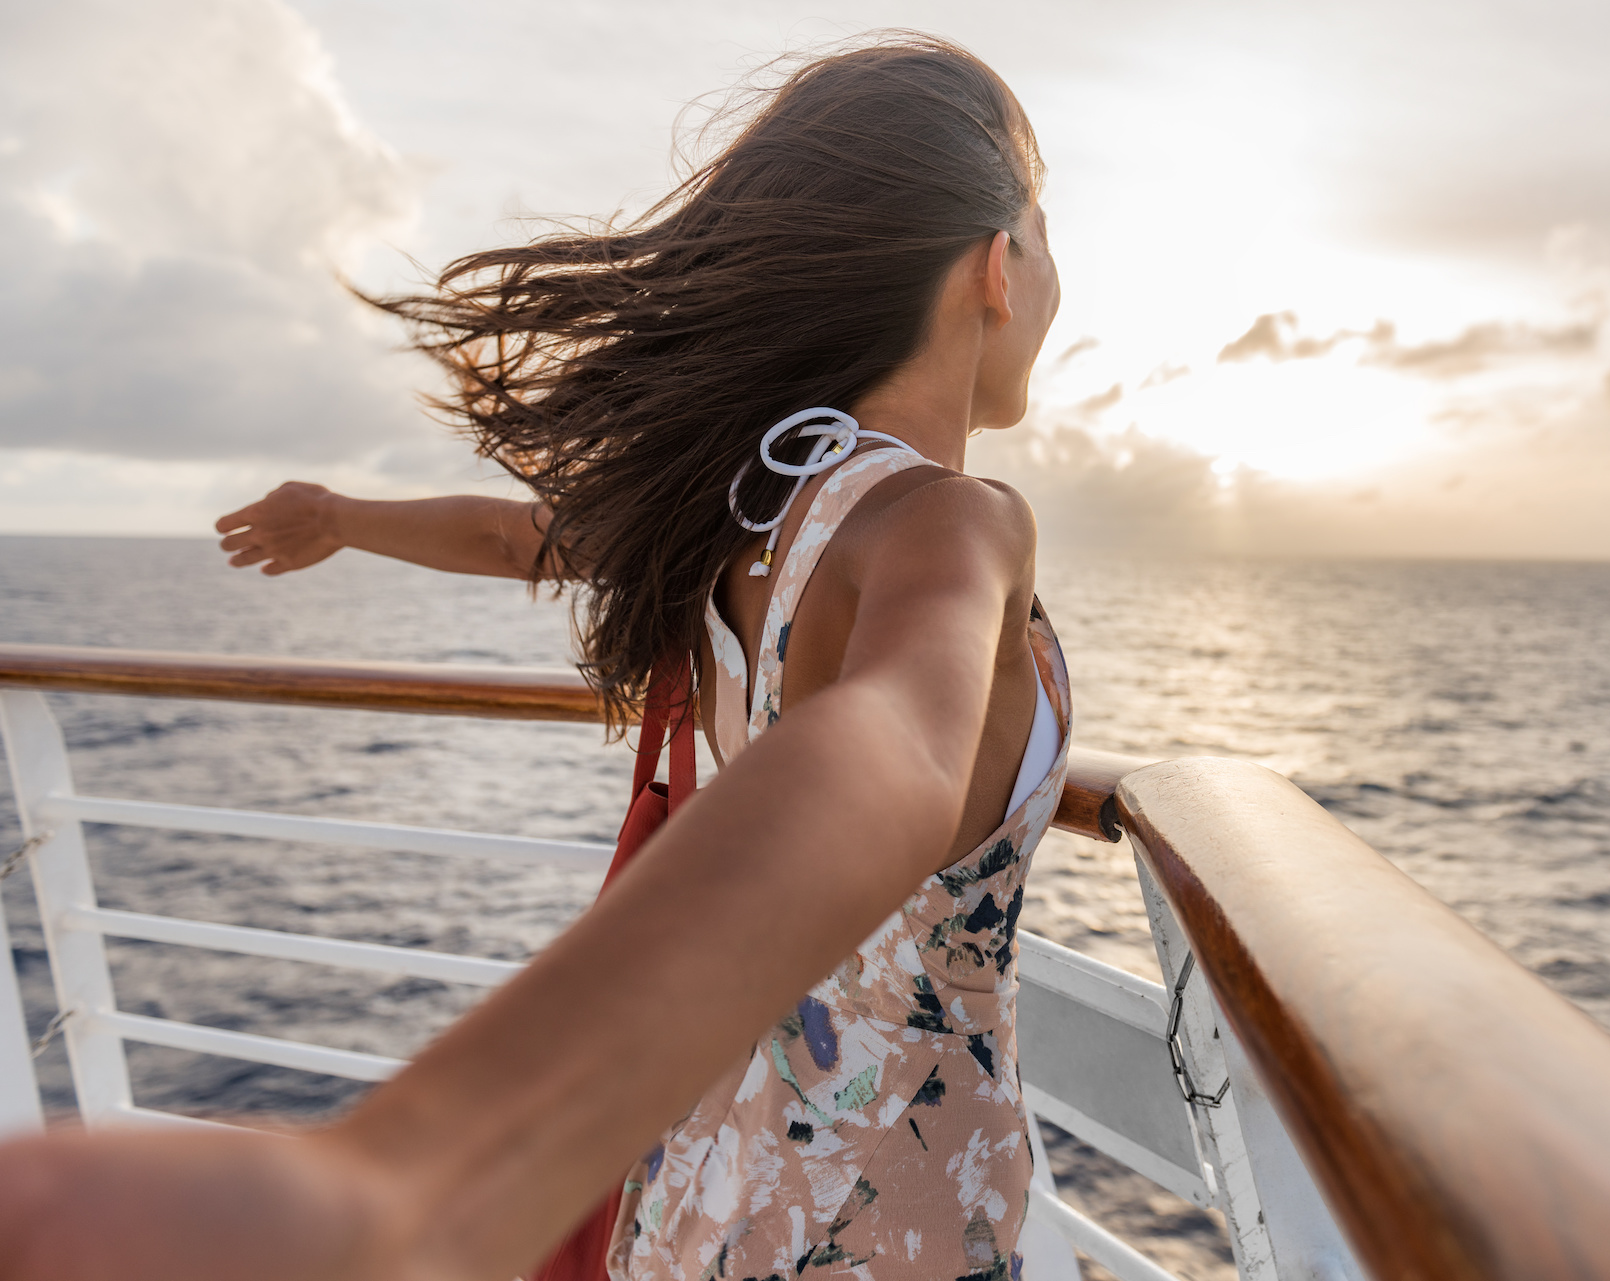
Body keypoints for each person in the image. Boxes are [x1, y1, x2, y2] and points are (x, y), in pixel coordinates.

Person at [0, 33, 1065, 1281]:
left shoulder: (742, 518)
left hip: (702, 1193)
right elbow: (896, 741)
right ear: (997, 268)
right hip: (890, 1217)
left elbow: (523, 537)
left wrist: (344, 518)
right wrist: (415, 1178)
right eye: (1046, 236)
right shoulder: (955, 519)